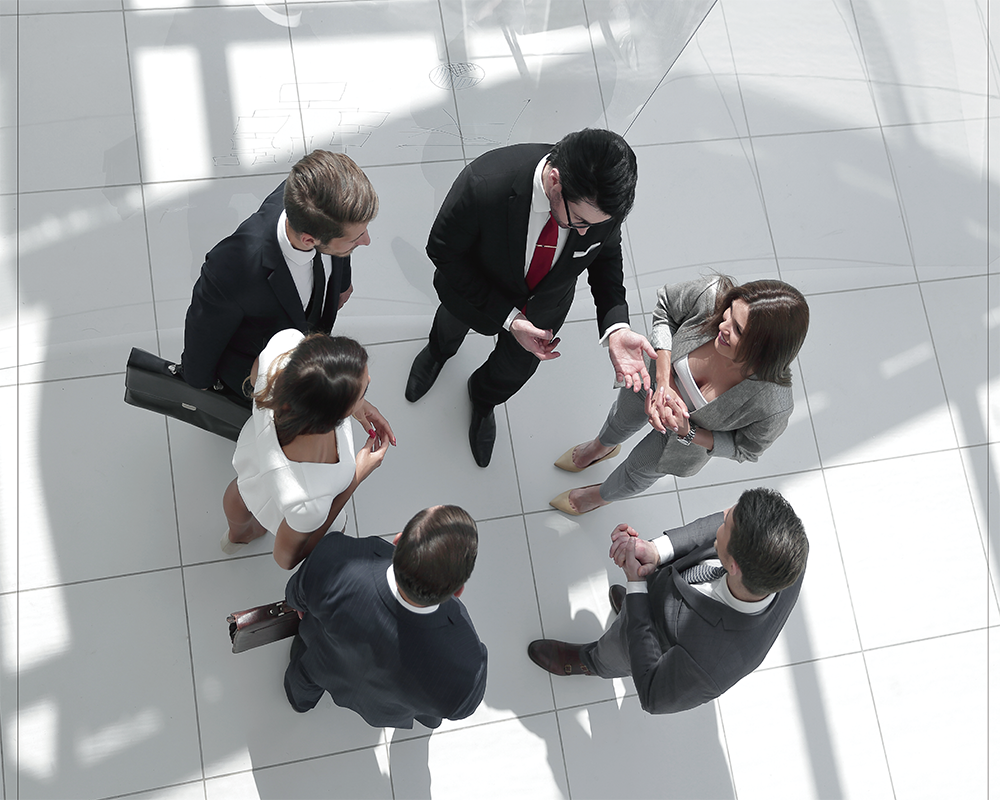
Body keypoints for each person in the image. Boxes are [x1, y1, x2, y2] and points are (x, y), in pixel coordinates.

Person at [404, 128, 656, 467]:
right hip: (472, 293)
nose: (584, 232)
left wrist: (616, 326)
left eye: (593, 225)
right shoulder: (486, 181)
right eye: (579, 221)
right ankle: (437, 353)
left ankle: (481, 401)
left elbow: (605, 258)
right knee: (449, 328)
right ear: (555, 181)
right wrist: (509, 317)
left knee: (510, 374)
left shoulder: (598, 209)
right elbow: (443, 251)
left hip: (543, 315)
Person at [528, 487, 808, 714]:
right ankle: (635, 605)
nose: (719, 522)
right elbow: (723, 524)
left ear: (734, 565)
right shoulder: (788, 555)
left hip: (657, 641)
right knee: (640, 603)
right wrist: (657, 550)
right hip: (670, 595)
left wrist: (636, 585)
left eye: (725, 525)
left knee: (616, 648)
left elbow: (652, 695)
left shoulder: (712, 664)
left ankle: (590, 662)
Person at [181, 149, 393, 445]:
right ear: (309, 240)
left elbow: (337, 248)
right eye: (356, 239)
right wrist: (197, 384)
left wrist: (342, 283)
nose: (367, 241)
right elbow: (202, 333)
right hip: (259, 371)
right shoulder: (232, 268)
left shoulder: (321, 206)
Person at [549, 275, 809, 514]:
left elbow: (746, 449)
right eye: (728, 313)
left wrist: (689, 433)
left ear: (765, 349)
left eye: (738, 330)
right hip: (650, 384)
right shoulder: (711, 294)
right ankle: (601, 447)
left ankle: (599, 496)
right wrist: (663, 380)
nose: (722, 325)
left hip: (682, 442)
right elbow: (665, 307)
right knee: (619, 420)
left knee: (635, 474)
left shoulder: (774, 404)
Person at [283, 505, 488, 729]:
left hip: (323, 663)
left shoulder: (337, 559)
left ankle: (300, 702)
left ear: (397, 541)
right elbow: (461, 707)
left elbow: (295, 596)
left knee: (303, 679)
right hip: (387, 710)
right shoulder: (465, 662)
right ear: (458, 591)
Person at [222, 329, 389, 570]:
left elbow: (257, 372)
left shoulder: (286, 345)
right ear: (332, 414)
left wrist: (353, 402)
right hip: (293, 513)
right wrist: (357, 476)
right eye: (363, 392)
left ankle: (236, 536)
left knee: (243, 489)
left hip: (256, 462)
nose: (370, 382)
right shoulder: (309, 503)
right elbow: (285, 559)